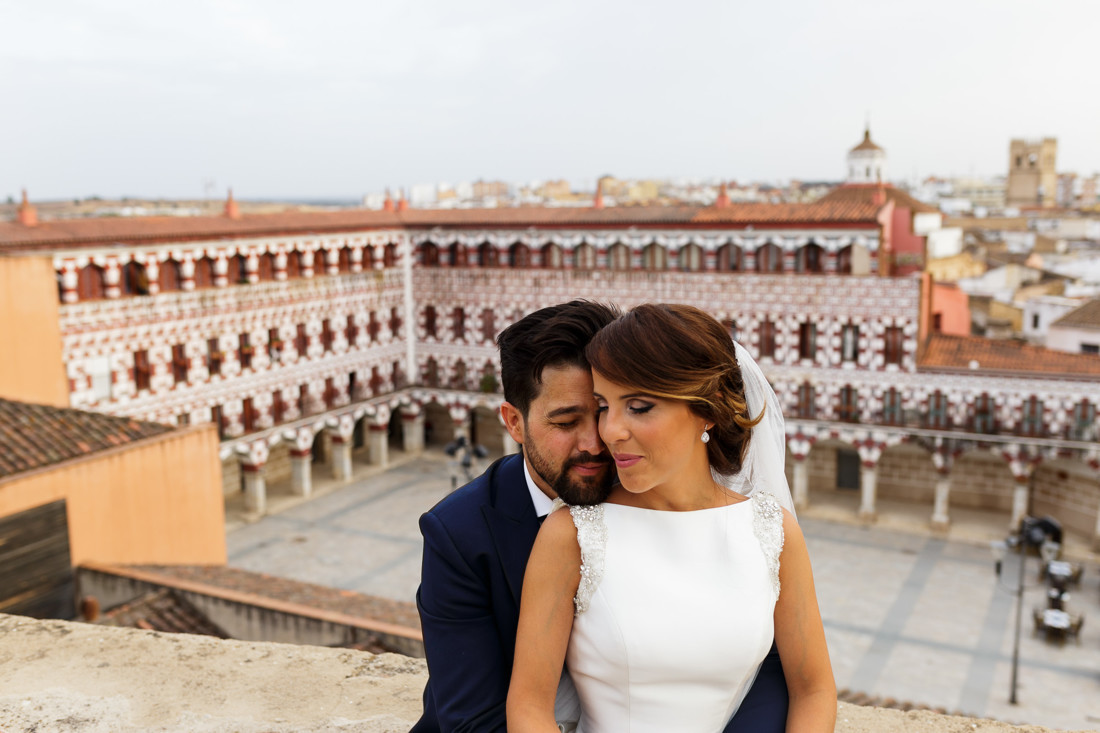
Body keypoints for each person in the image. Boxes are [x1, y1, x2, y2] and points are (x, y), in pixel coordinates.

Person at [507, 303, 836, 732]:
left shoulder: (772, 532)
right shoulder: (573, 533)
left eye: (639, 407)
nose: (610, 431)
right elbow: (529, 707)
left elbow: (813, 688)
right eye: (605, 405)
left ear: (709, 408)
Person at [411, 300, 620, 733]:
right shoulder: (459, 533)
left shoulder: (656, 494)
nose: (595, 444)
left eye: (602, 414)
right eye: (566, 423)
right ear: (514, 422)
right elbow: (473, 721)